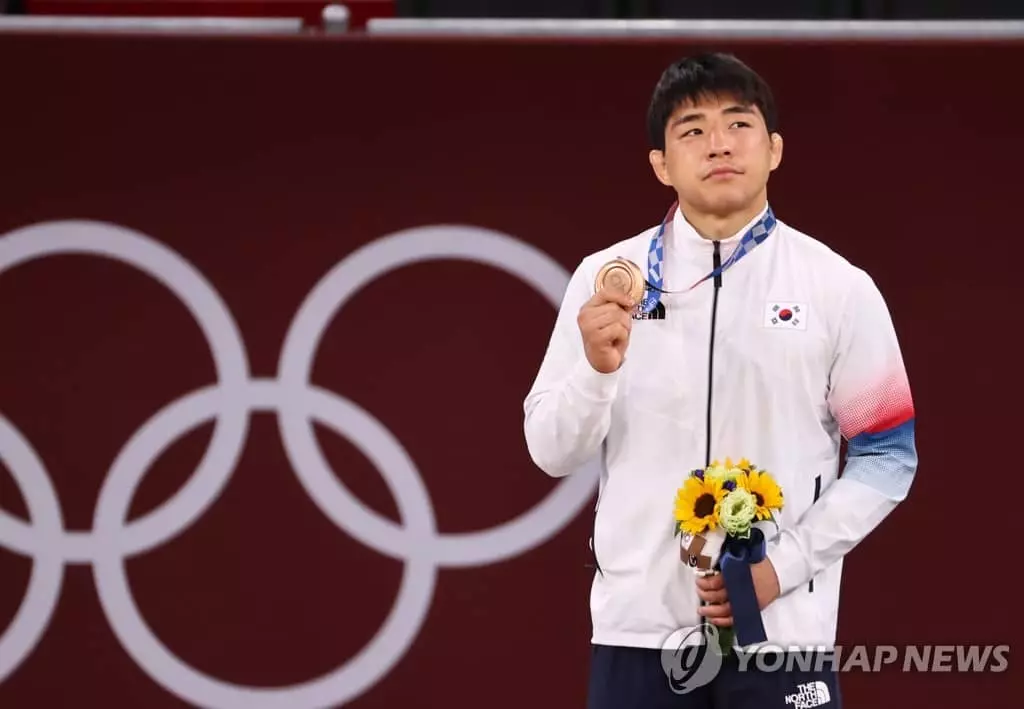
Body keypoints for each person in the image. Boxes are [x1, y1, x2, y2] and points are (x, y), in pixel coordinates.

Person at [522, 52, 917, 708]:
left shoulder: (838, 287)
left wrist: (778, 571)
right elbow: (550, 449)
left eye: (740, 124)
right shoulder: (607, 278)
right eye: (693, 130)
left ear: (775, 150)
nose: (719, 144)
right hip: (638, 634)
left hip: (783, 632)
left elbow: (887, 457)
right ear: (661, 163)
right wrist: (595, 369)